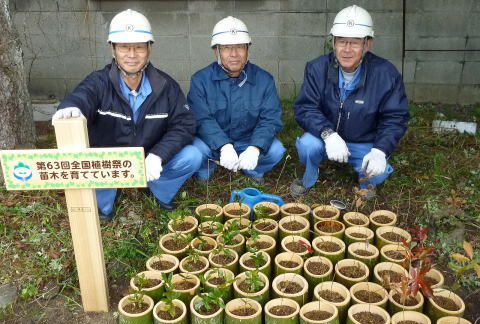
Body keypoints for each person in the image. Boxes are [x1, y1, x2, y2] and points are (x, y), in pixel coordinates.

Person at [52, 9, 202, 220]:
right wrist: (71, 106)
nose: (132, 55)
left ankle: (157, 189)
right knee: (100, 208)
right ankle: (106, 203)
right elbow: (83, 95)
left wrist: (159, 155)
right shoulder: (99, 82)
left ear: (149, 49)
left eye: (139, 47)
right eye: (124, 47)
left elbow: (185, 123)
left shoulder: (165, 85)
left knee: (193, 155)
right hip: (110, 163)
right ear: (113, 49)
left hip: (149, 158)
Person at [290, 5, 409, 198]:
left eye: (354, 43)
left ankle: (366, 181)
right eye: (341, 42)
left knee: (378, 174)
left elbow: (395, 117)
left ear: (367, 44)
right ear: (333, 42)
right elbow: (305, 108)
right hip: (326, 137)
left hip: (363, 141)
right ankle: (309, 176)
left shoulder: (386, 74)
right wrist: (329, 134)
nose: (346, 50)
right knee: (307, 145)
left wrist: (380, 150)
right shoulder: (317, 68)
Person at [187, 16, 285, 184]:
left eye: (240, 47)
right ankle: (206, 168)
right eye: (226, 48)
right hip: (213, 144)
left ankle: (253, 168)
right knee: (195, 149)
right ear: (216, 50)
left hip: (248, 142)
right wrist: (224, 146)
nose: (234, 54)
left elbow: (271, 119)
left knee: (276, 150)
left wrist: (255, 148)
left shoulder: (264, 79)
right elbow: (201, 119)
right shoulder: (200, 80)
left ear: (247, 49)